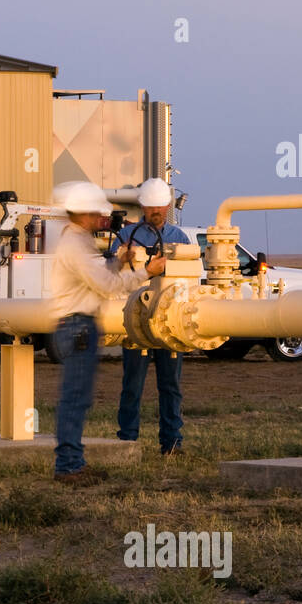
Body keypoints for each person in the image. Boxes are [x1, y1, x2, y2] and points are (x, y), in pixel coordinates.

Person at [50, 182, 163, 485]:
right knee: (75, 399)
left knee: (78, 398)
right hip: (78, 327)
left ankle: (73, 461)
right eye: (96, 213)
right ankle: (68, 467)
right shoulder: (76, 245)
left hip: (77, 326)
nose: (101, 218)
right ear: (83, 213)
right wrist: (146, 273)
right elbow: (107, 286)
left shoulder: (78, 240)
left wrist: (119, 261)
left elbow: (99, 275)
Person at [110, 177, 192, 455]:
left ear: (168, 206)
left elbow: (190, 279)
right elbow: (113, 273)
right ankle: (127, 441)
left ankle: (172, 443)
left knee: (171, 386)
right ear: (143, 207)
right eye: (151, 207)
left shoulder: (179, 239)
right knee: (132, 385)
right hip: (136, 319)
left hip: (170, 321)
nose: (156, 212)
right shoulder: (126, 238)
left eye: (160, 207)